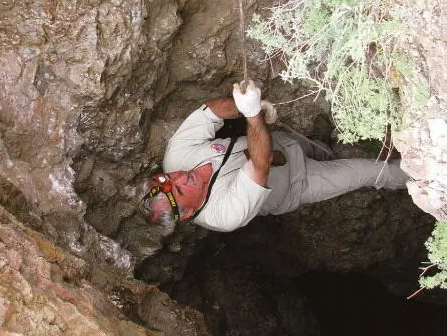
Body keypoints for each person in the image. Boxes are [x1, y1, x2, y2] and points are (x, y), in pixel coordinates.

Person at [138, 81, 408, 233]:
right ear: (185, 213)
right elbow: (260, 163)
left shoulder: (176, 158)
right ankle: (423, 178)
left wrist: (243, 107)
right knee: (371, 172)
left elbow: (209, 111)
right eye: (179, 189)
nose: (179, 177)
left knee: (320, 149)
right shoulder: (223, 216)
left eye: (168, 178)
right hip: (297, 182)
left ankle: (327, 147)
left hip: (281, 142)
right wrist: (253, 114)